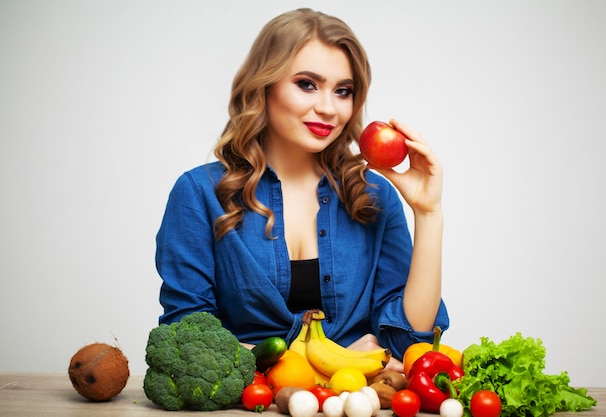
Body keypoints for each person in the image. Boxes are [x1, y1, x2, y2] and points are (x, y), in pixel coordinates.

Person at [155, 8, 449, 371]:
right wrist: (319, 362)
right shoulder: (199, 193)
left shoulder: (374, 197)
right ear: (265, 85)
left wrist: (428, 212)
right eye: (307, 84)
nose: (328, 108)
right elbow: (185, 336)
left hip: (352, 402)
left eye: (343, 91)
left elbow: (408, 341)